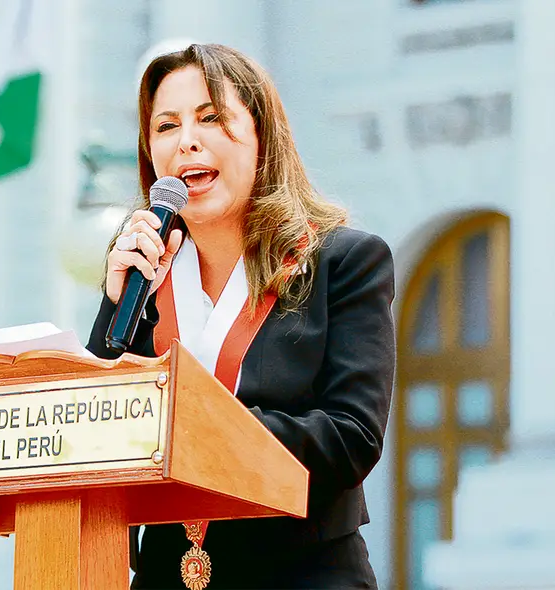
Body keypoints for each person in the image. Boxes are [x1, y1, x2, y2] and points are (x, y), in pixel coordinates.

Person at [86, 43, 395, 589]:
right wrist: (116, 304)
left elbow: (352, 436)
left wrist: (197, 431)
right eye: (166, 126)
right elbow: (95, 436)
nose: (187, 141)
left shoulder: (339, 262)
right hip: (164, 573)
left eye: (211, 118)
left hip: (301, 571)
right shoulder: (143, 272)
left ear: (262, 139)